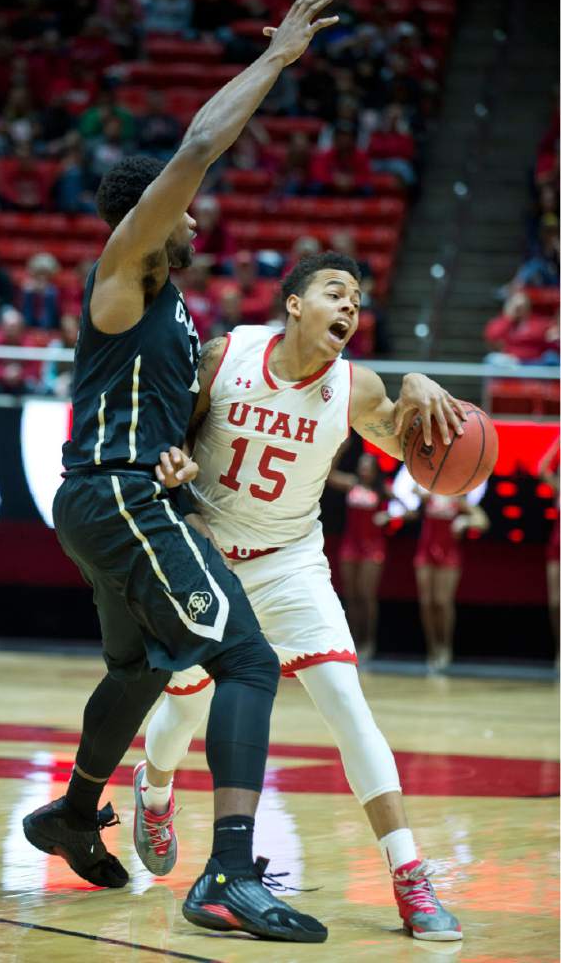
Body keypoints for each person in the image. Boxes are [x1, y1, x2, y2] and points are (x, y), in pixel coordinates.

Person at [21, 0, 341, 944]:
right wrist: (277, 58)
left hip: (114, 491)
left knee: (136, 670)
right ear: (149, 214)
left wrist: (174, 447)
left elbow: (162, 411)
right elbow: (199, 141)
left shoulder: (170, 309)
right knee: (244, 656)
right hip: (114, 496)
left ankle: (74, 814)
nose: (197, 219)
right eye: (182, 209)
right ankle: (228, 877)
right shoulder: (125, 265)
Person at [139, 250, 466, 942]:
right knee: (183, 708)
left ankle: (409, 880)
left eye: (358, 299)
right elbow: (171, 434)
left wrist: (417, 385)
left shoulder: (358, 387)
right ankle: (156, 791)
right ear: (293, 303)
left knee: (349, 706)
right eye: (335, 292)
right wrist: (173, 463)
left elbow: (417, 446)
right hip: (211, 556)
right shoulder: (228, 354)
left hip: (291, 561)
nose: (350, 306)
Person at [329, 451, 397, 660]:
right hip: (351, 544)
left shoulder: (382, 489)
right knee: (351, 596)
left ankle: (368, 641)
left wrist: (389, 515)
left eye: (368, 465)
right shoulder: (352, 483)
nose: (364, 468)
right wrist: (340, 450)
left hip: (373, 547)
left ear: (375, 469)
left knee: (366, 596)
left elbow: (408, 508)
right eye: (362, 464)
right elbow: (330, 475)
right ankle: (353, 640)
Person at [413, 490, 489, 670]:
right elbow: (413, 495)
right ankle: (432, 648)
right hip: (426, 551)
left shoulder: (458, 500)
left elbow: (483, 521)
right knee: (426, 603)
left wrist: (465, 521)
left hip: (449, 554)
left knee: (442, 602)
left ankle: (445, 646)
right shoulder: (428, 495)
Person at [538, 436, 560, 667]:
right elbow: (542, 469)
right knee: (556, 601)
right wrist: (558, 443)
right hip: (557, 538)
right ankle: (559, 648)